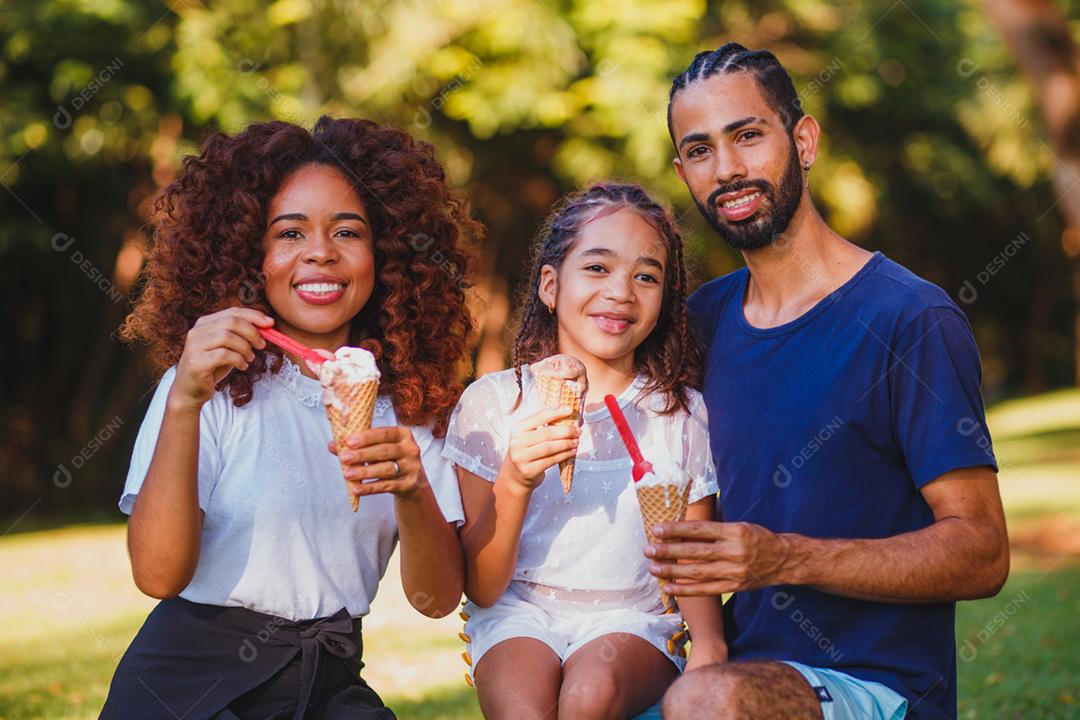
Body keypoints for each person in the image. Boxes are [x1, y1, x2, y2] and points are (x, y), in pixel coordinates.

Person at [649, 44, 1011, 720]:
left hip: (881, 689)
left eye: (748, 136)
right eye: (699, 151)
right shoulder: (698, 324)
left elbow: (984, 552)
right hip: (728, 667)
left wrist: (782, 559)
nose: (727, 170)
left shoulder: (909, 318)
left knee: (706, 701)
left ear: (804, 140)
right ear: (683, 172)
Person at [101, 116, 479, 719]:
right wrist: (185, 402)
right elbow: (158, 576)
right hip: (185, 686)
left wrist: (412, 490)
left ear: (387, 253)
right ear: (249, 253)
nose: (320, 252)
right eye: (289, 232)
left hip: (327, 680)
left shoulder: (414, 405)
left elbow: (435, 601)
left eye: (348, 231)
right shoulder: (207, 387)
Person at [442, 182, 727, 719]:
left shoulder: (679, 413)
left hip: (632, 616)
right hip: (517, 607)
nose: (622, 291)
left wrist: (710, 646)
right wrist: (516, 480)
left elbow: (691, 550)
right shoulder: (492, 405)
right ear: (550, 285)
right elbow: (482, 586)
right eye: (597, 268)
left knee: (587, 697)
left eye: (646, 276)